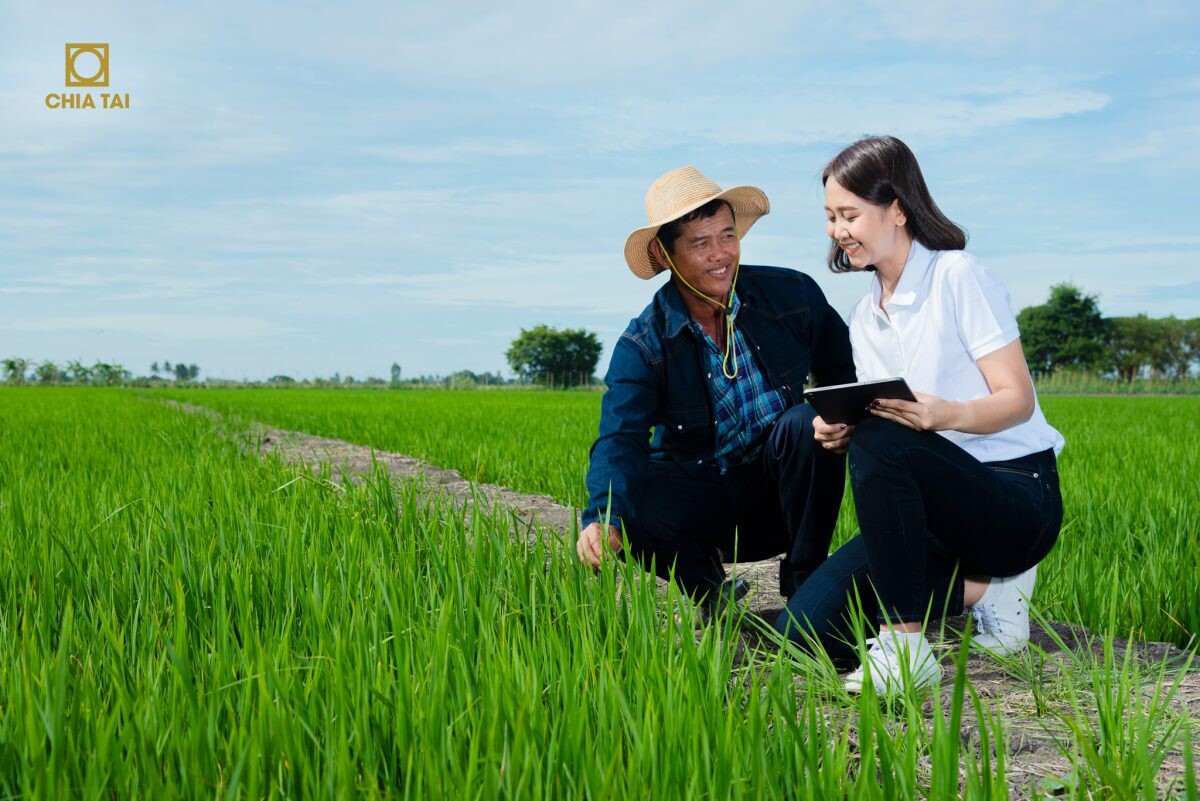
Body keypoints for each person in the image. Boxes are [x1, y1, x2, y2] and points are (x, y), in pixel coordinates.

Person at [776, 136, 1065, 694]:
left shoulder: (958, 276)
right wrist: (841, 429)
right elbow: (885, 429)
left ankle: (908, 652)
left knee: (885, 435)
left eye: (850, 214)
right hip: (931, 513)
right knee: (803, 635)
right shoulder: (864, 316)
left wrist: (943, 414)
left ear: (899, 209)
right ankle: (990, 593)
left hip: (1013, 498)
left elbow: (1017, 399)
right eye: (831, 217)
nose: (838, 230)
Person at [577, 166, 856, 619]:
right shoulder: (644, 345)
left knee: (807, 423)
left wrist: (844, 418)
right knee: (629, 493)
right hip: (706, 499)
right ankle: (708, 589)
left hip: (781, 495)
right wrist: (603, 516)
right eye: (699, 243)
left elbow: (844, 370)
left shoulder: (793, 295)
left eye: (727, 236)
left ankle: (806, 589)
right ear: (665, 255)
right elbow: (619, 439)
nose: (719, 255)